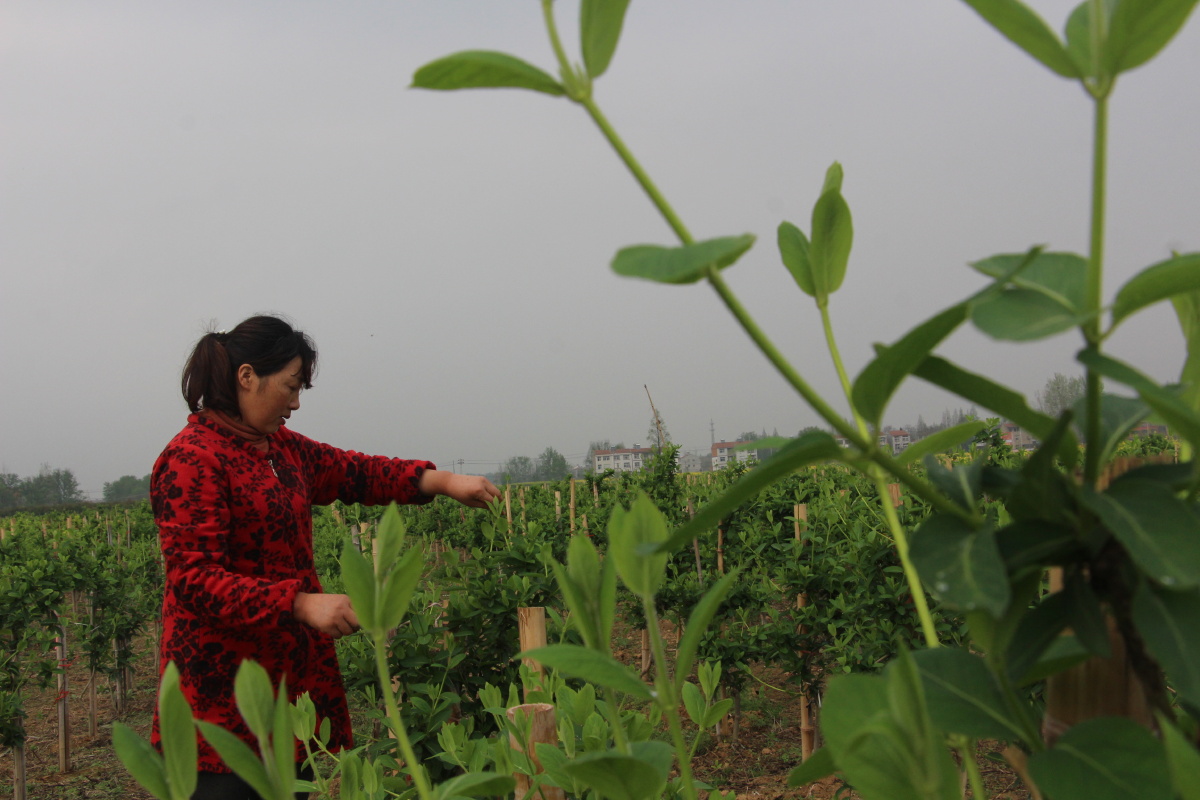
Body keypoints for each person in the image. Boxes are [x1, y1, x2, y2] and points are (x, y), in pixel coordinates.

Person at [150, 314, 499, 800]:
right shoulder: (192, 459)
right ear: (246, 376)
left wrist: (439, 481)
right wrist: (300, 603)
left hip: (292, 688)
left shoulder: (281, 449)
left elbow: (357, 472)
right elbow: (195, 581)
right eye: (290, 386)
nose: (295, 403)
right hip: (222, 698)